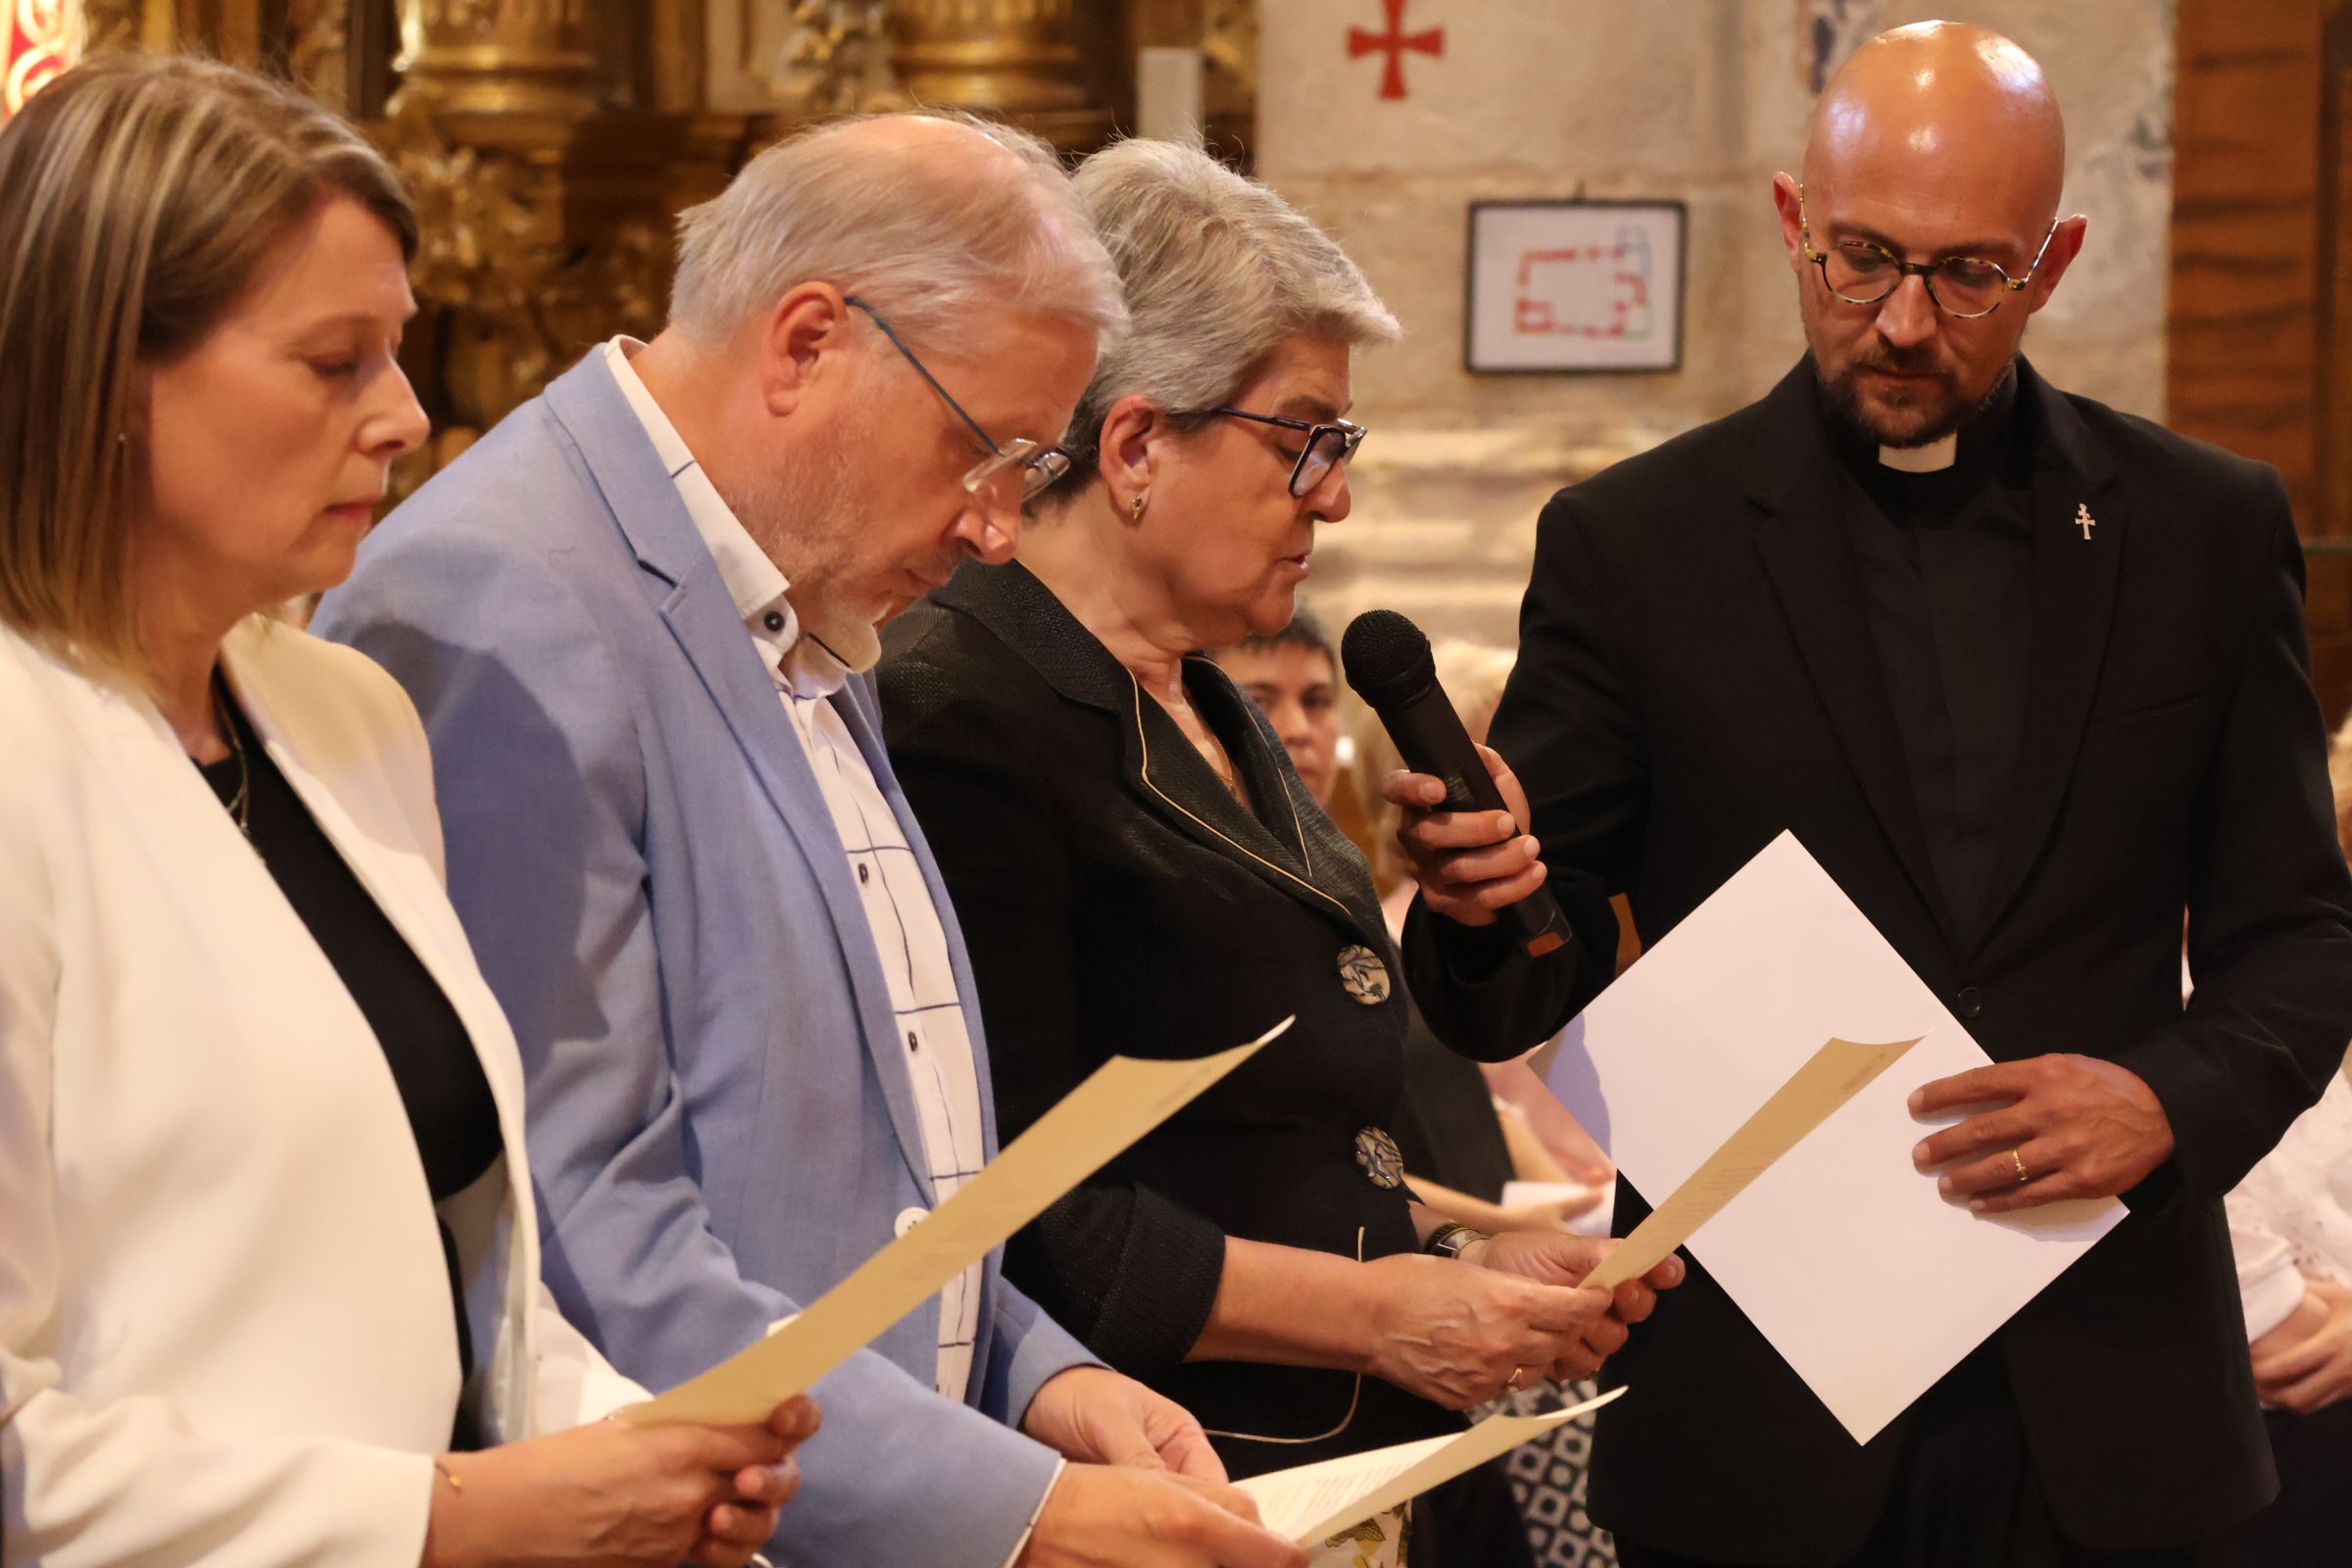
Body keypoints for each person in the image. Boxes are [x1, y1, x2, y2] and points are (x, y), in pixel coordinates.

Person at [1386, 22, 2352, 1568]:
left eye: (1969, 273)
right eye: (1858, 261)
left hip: (2114, 1404)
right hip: (1762, 1412)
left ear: (2055, 261)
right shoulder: (1640, 547)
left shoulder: (2203, 531)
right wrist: (1480, 905)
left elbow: (2302, 937)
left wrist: (2167, 1098)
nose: (1903, 321)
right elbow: (1518, 979)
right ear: (1791, 221)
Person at [313, 110, 1298, 1568]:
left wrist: (1040, 1374)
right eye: (990, 451)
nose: (1000, 528)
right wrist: (1015, 1514)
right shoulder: (502, 595)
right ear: (809, 343)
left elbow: (881, 1158)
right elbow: (578, 1240)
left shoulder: (797, 583)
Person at [0, 53, 815, 1568]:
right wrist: (457, 1521)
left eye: (401, 352)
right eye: (334, 361)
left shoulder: (341, 717)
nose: (406, 415)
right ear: (107, 372)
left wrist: (628, 1456)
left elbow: (454, 1271)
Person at [879, 137, 1679, 1568]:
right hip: (1158, 1474)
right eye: (1305, 439)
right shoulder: (968, 711)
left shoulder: (1199, 693)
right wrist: (1391, 1315)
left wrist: (1461, 1259)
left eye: (1342, 447)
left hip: (1330, 1460)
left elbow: (1279, 1135)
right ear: (1134, 447)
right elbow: (1020, 1212)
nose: (1337, 496)